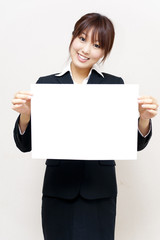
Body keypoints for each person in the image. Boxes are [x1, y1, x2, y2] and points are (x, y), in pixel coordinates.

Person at [12, 13, 158, 240]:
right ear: (72, 38)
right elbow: (25, 144)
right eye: (82, 38)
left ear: (104, 52)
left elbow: (133, 144)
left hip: (100, 191)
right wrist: (26, 116)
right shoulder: (46, 85)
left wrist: (144, 119)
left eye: (97, 45)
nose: (86, 50)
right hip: (58, 191)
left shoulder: (114, 85)